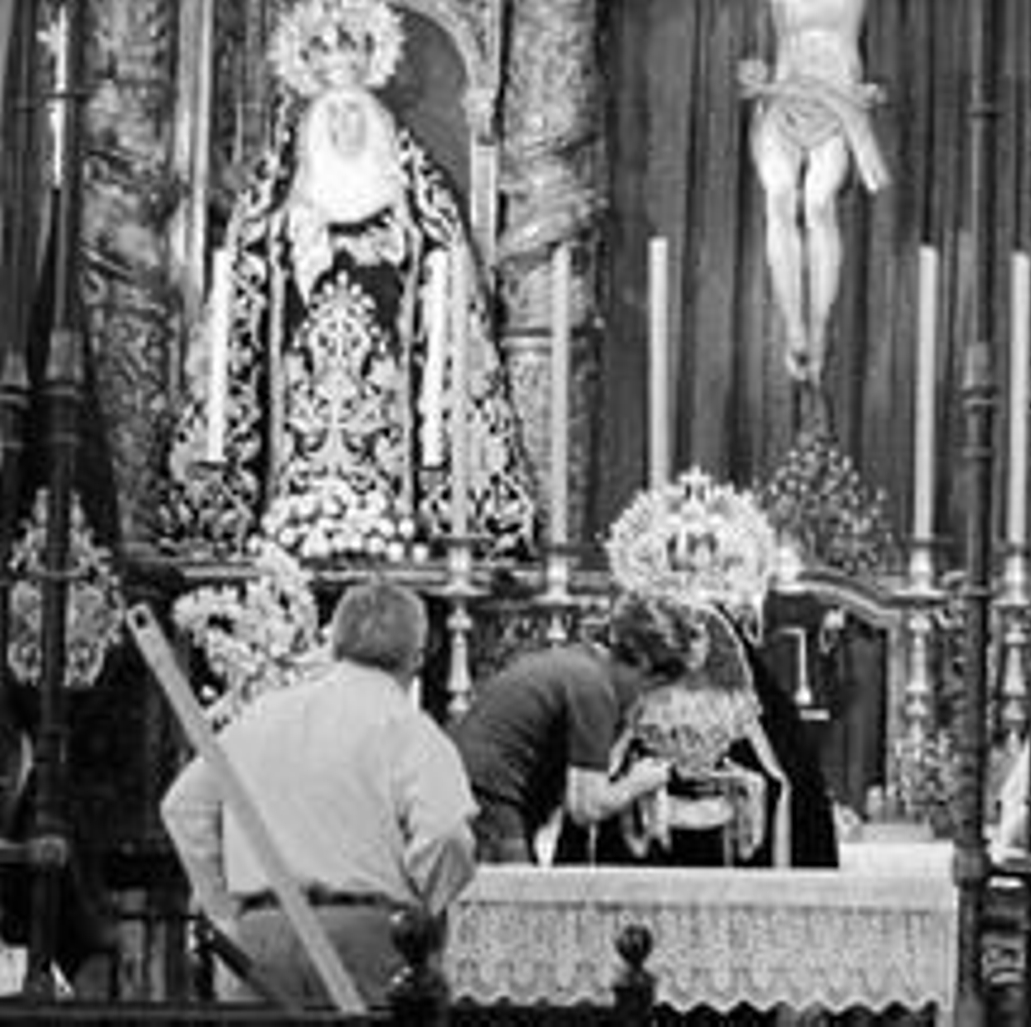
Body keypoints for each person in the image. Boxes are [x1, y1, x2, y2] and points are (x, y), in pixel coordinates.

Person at [164, 0, 539, 559]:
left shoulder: (419, 207)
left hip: (390, 424)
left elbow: (445, 289)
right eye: (331, 114)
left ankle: (395, 529)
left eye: (353, 113)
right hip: (294, 421)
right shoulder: (272, 209)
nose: (342, 126)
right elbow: (242, 309)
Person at [160, 579, 477, 1007]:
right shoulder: (409, 729)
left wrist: (224, 910)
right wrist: (426, 909)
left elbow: (184, 807)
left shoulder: (264, 715)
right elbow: (445, 833)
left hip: (260, 939)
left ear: (335, 643)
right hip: (367, 939)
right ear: (417, 655)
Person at [560, 602, 839, 869]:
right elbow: (591, 796)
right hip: (647, 859)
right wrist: (636, 786)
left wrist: (746, 788)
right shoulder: (636, 704)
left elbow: (788, 786)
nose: (692, 648)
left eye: (697, 635)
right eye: (684, 636)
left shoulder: (741, 711)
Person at [447, 593, 686, 865]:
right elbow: (586, 806)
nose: (644, 701)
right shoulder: (594, 689)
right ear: (643, 664)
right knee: (514, 903)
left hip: (473, 793)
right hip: (487, 798)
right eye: (652, 689)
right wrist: (639, 782)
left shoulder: (583, 664)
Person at [740, 0, 889, 383]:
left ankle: (821, 325)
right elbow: (759, 45)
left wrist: (872, 90)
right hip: (786, 99)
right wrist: (753, 74)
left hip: (837, 105)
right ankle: (794, 326)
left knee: (819, 203)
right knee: (779, 193)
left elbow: (877, 46)